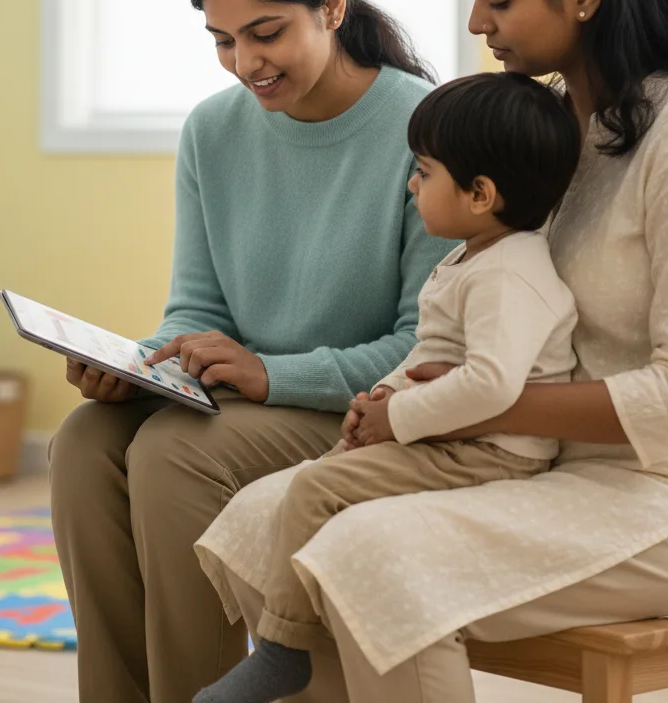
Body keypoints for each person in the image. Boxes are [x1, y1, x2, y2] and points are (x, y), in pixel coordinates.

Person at [192, 0, 668, 703]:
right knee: (263, 518)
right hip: (536, 470)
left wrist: (470, 401)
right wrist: (414, 397)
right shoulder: (548, 131)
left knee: (372, 556)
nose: (476, 22)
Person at [48, 0, 458, 703]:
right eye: (222, 41)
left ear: (331, 6)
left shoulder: (426, 127)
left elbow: (425, 349)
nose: (244, 63)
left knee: (171, 457)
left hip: (359, 412)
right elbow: (196, 307)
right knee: (85, 441)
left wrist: (269, 375)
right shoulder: (213, 131)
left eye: (265, 34)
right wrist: (145, 365)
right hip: (244, 402)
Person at [194, 71, 581, 703]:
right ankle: (308, 659)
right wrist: (380, 399)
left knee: (317, 487)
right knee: (311, 479)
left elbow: (492, 384)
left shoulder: (511, 273)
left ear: (480, 193)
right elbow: (433, 355)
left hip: (493, 454)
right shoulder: (472, 256)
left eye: (425, 173)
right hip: (454, 439)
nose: (410, 183)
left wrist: (397, 419)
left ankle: (282, 649)